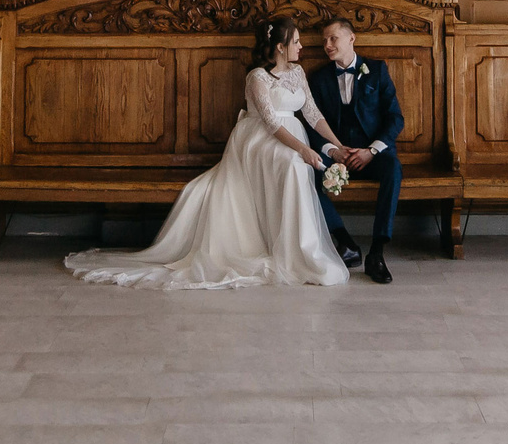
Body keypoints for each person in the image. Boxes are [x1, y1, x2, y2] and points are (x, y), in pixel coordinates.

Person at [64, 17, 349, 290]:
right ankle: (292, 253)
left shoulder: (298, 73)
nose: (301, 46)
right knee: (294, 164)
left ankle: (300, 250)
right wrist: (304, 150)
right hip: (260, 138)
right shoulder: (257, 77)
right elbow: (272, 123)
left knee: (297, 165)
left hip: (291, 136)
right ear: (279, 46)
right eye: (296, 41)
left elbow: (312, 113)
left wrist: (336, 146)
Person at [303, 16, 403, 285]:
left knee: (393, 168)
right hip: (336, 154)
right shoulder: (319, 78)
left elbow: (395, 119)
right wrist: (332, 151)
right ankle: (345, 242)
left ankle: (377, 253)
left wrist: (371, 151)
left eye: (333, 38)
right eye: (324, 40)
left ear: (351, 38)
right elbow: (311, 123)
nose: (327, 45)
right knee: (305, 172)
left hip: (371, 154)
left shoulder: (377, 70)